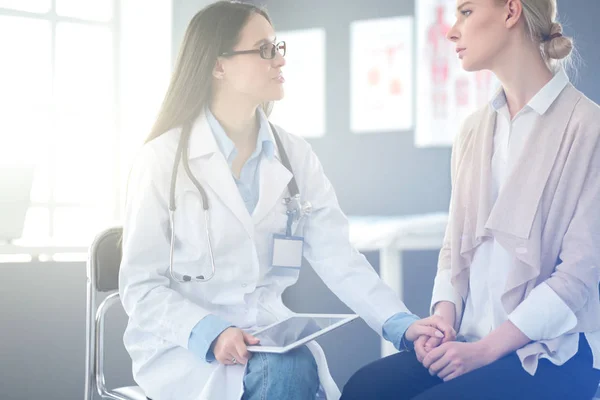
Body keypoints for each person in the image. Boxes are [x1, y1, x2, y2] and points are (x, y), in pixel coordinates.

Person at [118, 2, 454, 400]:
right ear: (218, 65)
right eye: (264, 50)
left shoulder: (293, 155)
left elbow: (338, 256)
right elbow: (140, 288)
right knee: (290, 370)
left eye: (277, 47)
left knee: (294, 367)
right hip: (184, 351)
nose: (279, 59)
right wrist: (210, 332)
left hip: (268, 337)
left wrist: (399, 323)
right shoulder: (162, 161)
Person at [342, 0, 600, 399]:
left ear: (511, 11)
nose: (451, 31)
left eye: (465, 12)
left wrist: (483, 351)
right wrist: (442, 321)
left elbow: (577, 278)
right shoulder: (473, 130)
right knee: (364, 389)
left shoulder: (588, 128)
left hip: (548, 356)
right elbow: (454, 250)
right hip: (466, 340)